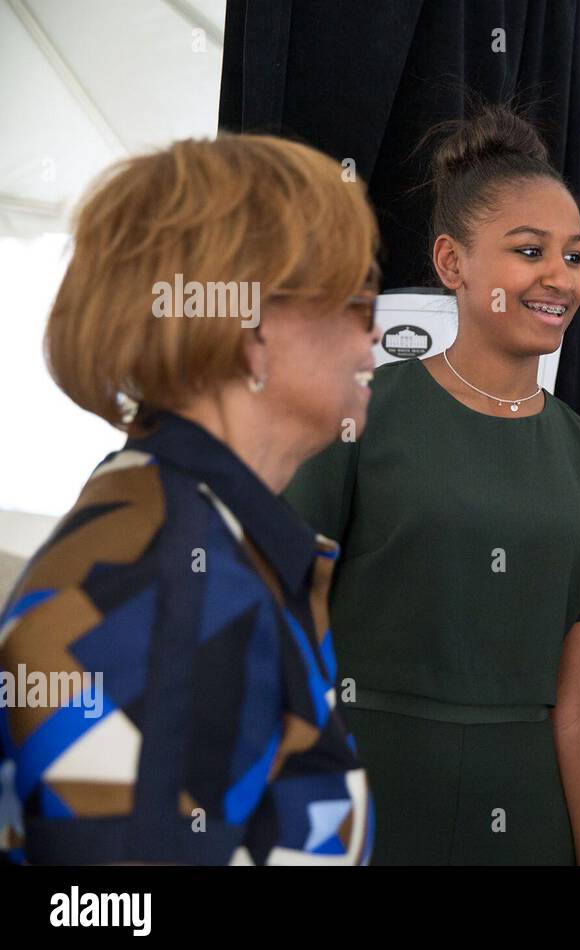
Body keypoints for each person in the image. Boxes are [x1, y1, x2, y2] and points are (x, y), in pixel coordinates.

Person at [0, 135, 381, 864]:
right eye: (357, 297)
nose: (375, 336)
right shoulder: (171, 581)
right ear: (251, 329)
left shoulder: (191, 538)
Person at [284, 104, 580, 865]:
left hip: (529, 819)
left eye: (574, 255)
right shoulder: (361, 411)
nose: (559, 277)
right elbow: (281, 631)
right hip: (358, 800)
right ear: (452, 264)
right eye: (529, 250)